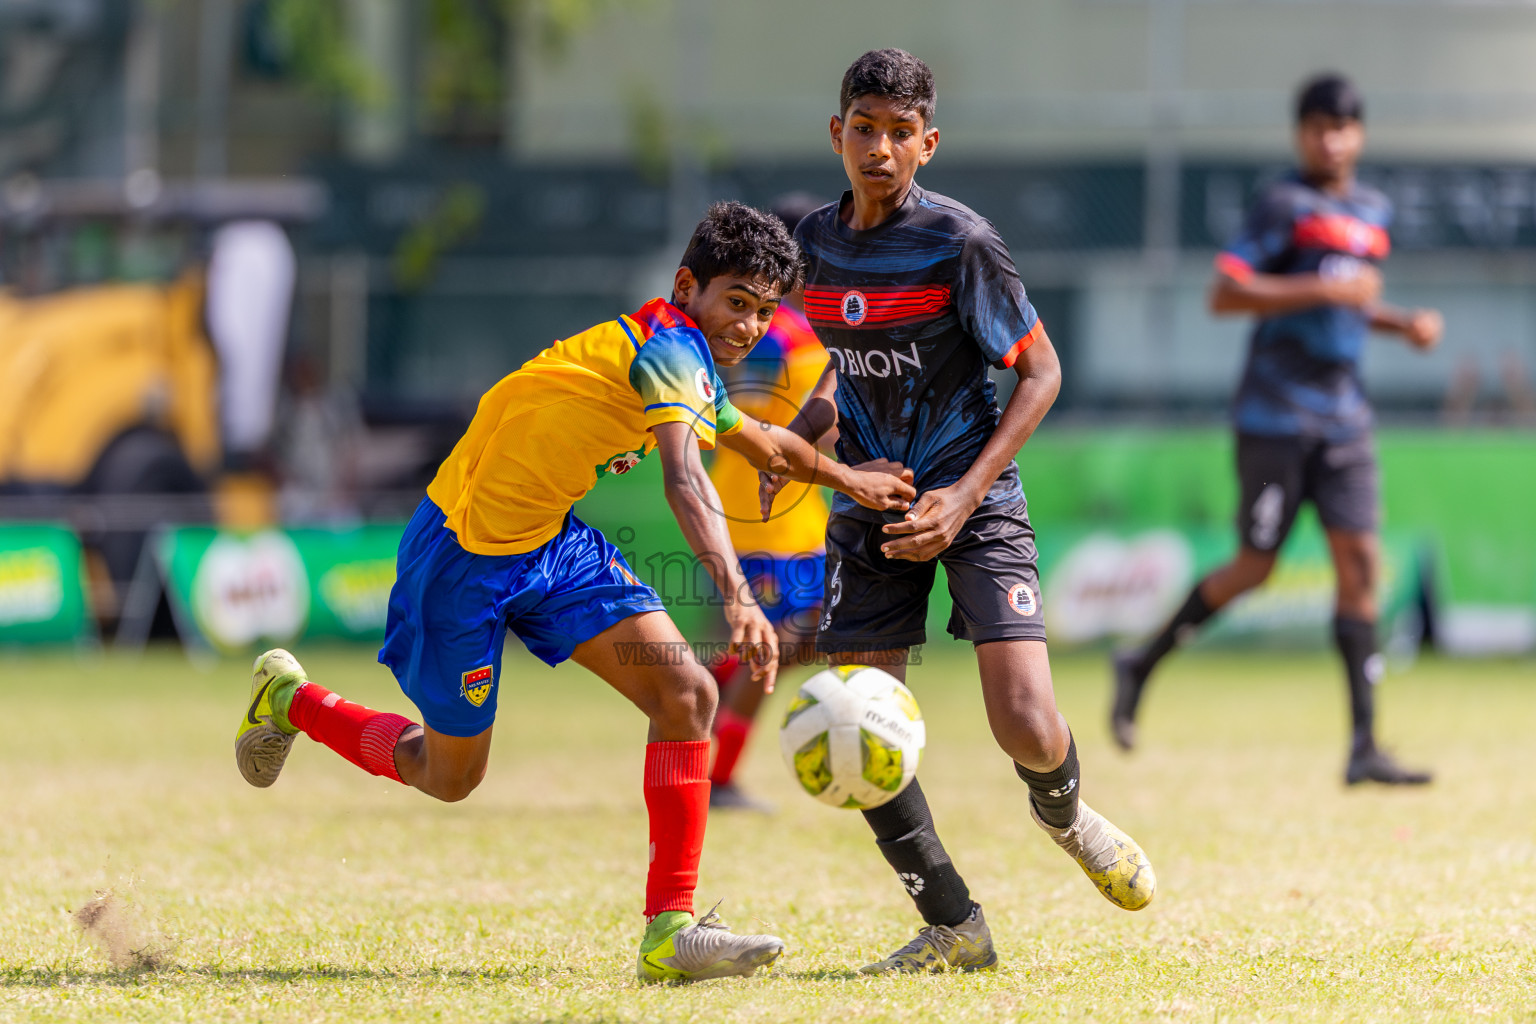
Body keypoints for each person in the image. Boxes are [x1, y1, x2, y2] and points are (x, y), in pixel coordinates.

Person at [233, 202, 917, 983]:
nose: (749, 327)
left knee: (687, 694)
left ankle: (670, 931)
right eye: (736, 302)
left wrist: (844, 477)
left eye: (764, 311)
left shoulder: (689, 356)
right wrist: (736, 594)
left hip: (552, 544)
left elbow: (758, 440)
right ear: (687, 286)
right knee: (449, 777)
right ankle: (291, 701)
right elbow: (685, 478)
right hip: (462, 556)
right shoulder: (668, 350)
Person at [765, 49, 1156, 975]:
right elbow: (839, 362)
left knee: (1023, 719)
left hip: (971, 495)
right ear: (839, 133)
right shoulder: (814, 245)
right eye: (866, 128)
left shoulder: (961, 243)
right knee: (859, 724)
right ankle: (954, 924)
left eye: (902, 134)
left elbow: (1042, 371)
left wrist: (965, 493)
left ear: (928, 144)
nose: (882, 148)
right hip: (869, 502)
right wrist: (807, 442)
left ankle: (1067, 818)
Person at [1110, 73, 1443, 786]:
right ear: (1301, 134)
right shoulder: (1282, 204)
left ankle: (1364, 746)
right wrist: (1323, 287)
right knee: (1255, 566)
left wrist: (1400, 322)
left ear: (1360, 134)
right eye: (1319, 126)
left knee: (1359, 569)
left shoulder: (1373, 211)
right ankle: (1141, 660)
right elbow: (1226, 291)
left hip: (1345, 418)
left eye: (1344, 126)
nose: (1332, 139)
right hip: (1275, 416)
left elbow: (1349, 305)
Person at [705, 194, 832, 813]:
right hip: (756, 516)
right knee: (774, 647)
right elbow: (735, 412)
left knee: (788, 643)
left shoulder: (816, 329)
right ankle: (717, 776)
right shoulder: (769, 332)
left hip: (801, 520)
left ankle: (701, 701)